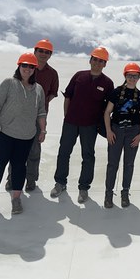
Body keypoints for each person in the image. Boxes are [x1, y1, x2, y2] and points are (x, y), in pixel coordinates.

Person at [0, 53, 47, 215]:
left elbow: (41, 112)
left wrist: (43, 130)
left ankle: (16, 199)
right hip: (3, 134)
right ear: (19, 66)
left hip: (26, 137)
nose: (27, 69)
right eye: (24, 66)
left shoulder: (38, 89)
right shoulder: (9, 83)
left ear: (35, 69)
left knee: (20, 167)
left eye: (31, 66)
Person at [50, 47, 114, 203]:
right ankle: (60, 183)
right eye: (95, 59)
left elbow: (109, 107)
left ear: (105, 64)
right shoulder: (79, 76)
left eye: (101, 61)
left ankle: (84, 187)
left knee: (88, 155)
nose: (97, 63)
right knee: (64, 151)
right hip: (71, 122)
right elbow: (68, 96)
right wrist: (67, 116)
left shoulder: (107, 83)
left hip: (90, 125)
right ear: (90, 60)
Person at [5, 39, 59, 192]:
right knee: (15, 149)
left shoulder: (52, 74)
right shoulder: (25, 69)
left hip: (38, 118)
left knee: (34, 150)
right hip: (19, 116)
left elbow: (52, 93)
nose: (43, 54)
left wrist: (39, 105)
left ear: (50, 55)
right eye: (41, 50)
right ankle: (12, 179)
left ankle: (31, 180)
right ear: (35, 51)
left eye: (47, 52)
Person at [103, 63, 140, 208]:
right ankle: (108, 193)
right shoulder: (116, 92)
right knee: (112, 164)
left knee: (129, 164)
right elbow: (107, 113)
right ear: (125, 76)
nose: (132, 78)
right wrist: (108, 131)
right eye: (129, 76)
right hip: (116, 131)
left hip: (133, 132)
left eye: (135, 76)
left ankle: (125, 192)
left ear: (139, 77)